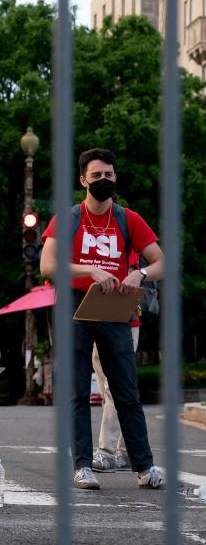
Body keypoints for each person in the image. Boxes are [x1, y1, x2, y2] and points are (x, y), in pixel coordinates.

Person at [40, 148, 164, 490]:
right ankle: (82, 466)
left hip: (116, 307)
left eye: (108, 174)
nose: (103, 181)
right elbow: (47, 265)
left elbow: (162, 262)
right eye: (96, 176)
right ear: (83, 180)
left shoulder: (129, 219)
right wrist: (89, 270)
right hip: (76, 306)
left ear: (115, 177)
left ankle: (144, 468)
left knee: (126, 391)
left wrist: (140, 273)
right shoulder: (67, 219)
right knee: (78, 391)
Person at [90, 254, 141, 473]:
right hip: (96, 320)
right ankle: (125, 450)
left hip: (123, 322)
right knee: (106, 392)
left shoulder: (124, 241)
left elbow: (133, 280)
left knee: (114, 388)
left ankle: (106, 451)